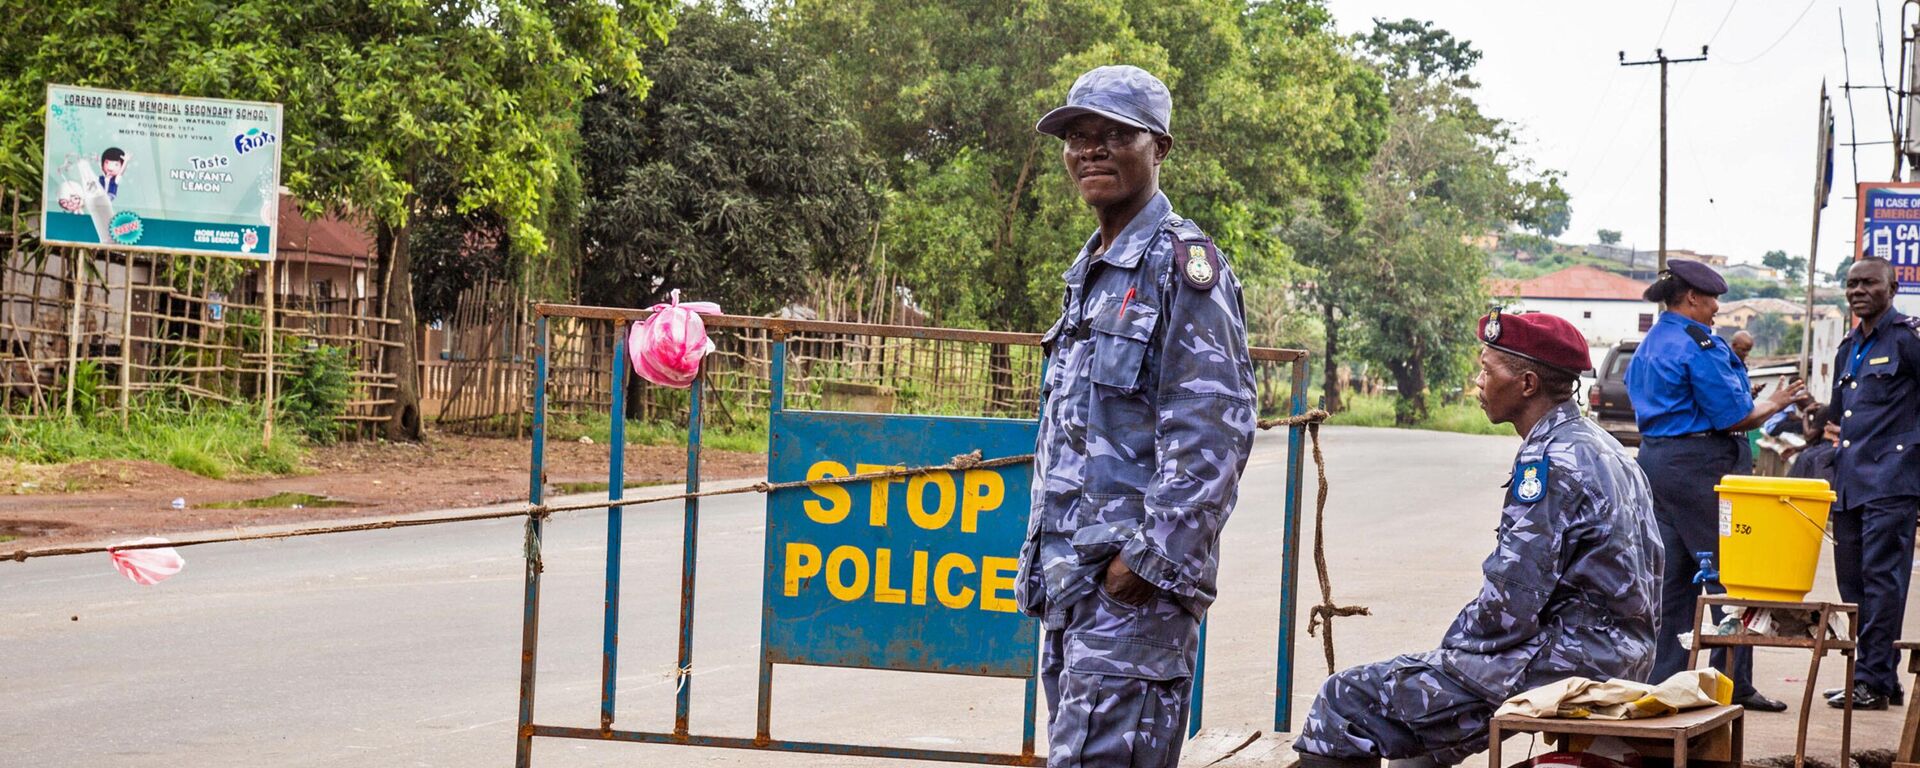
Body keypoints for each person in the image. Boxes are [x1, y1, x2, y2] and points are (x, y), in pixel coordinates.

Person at [1014, 64, 1257, 768]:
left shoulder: (1182, 266)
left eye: (1115, 134)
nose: (1090, 149)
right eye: (1077, 136)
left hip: (1130, 598)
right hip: (1073, 588)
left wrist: (1141, 566)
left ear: (1159, 148)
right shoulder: (1093, 269)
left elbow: (1214, 433)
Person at [1294, 310, 1661, 768]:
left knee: (1343, 701)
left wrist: (1449, 652)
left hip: (1565, 663)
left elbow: (1510, 603)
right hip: (1624, 656)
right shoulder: (1607, 449)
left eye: (1488, 370)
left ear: (1527, 384)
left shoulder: (1549, 464)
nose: (1478, 382)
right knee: (1422, 719)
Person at [1627, 260, 1805, 713]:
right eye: (1712, 300)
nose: (1716, 310)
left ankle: (1664, 683)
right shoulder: (1697, 343)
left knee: (1674, 580)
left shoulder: (1650, 343)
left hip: (1657, 464)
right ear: (1691, 298)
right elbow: (1733, 416)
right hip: (1702, 468)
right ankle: (1732, 684)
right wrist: (1776, 403)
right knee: (1732, 576)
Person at [1822, 257, 1920, 711]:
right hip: (1850, 480)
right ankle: (1881, 676)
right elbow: (1839, 413)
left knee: (1882, 580)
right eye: (1851, 284)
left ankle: (1871, 681)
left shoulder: (1908, 339)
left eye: (1868, 283)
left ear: (1892, 287)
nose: (1858, 291)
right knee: (1853, 584)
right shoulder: (1849, 347)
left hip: (1891, 480)